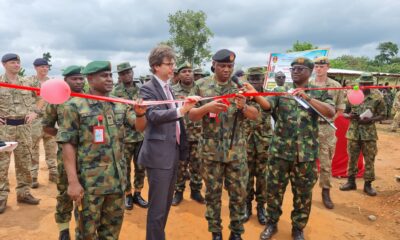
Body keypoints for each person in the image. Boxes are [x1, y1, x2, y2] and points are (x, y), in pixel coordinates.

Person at [245, 57, 335, 240]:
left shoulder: (319, 91)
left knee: (303, 194)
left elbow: (330, 112)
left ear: (310, 71)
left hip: (306, 155)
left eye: (300, 68)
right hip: (280, 153)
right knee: (274, 191)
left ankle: (298, 228)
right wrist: (255, 94)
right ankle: (271, 224)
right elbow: (268, 105)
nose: (295, 71)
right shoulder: (281, 91)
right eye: (293, 68)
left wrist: (308, 98)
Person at [57, 61, 147, 239]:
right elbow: (68, 144)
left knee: (111, 233)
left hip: (117, 182)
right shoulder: (74, 106)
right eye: (103, 76)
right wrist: (73, 182)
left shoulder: (118, 104)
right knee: (86, 233)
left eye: (110, 75)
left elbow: (139, 127)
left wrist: (140, 113)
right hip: (90, 185)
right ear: (90, 79)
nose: (109, 79)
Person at [189, 49, 259, 240]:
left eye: (230, 66)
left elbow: (256, 115)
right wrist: (206, 108)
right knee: (212, 195)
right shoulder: (201, 86)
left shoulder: (241, 88)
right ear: (214, 65)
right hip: (210, 153)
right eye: (222, 66)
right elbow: (191, 114)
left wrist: (244, 106)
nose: (226, 70)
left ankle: (236, 233)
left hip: (236, 152)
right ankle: (216, 232)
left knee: (238, 194)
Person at [138, 45, 200, 240]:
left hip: (171, 153)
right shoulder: (147, 88)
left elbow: (172, 115)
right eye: (169, 64)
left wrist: (183, 104)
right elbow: (153, 116)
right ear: (156, 66)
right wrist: (182, 110)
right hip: (158, 157)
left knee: (164, 206)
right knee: (157, 209)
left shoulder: (169, 88)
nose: (173, 67)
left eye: (173, 63)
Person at [42, 65, 84, 240]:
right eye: (74, 79)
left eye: (81, 78)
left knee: (86, 193)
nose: (79, 82)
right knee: (65, 192)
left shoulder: (89, 98)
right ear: (65, 80)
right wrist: (64, 137)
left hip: (88, 155)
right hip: (65, 156)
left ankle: (83, 228)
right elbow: (46, 126)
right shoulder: (56, 100)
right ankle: (63, 229)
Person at [0, 53, 41, 214]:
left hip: (24, 128)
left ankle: (23, 193)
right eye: (12, 62)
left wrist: (35, 112)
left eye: (18, 62)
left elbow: (41, 96)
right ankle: (1, 196)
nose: (16, 65)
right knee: (1, 164)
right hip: (4, 128)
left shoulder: (28, 82)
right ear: (4, 64)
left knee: (24, 161)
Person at [340, 72, 386, 196]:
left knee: (369, 159)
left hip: (369, 134)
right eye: (362, 83)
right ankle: (351, 182)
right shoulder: (352, 95)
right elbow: (344, 112)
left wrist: (370, 119)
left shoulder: (377, 97)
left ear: (372, 84)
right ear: (359, 83)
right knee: (352, 158)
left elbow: (384, 114)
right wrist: (349, 116)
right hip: (353, 133)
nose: (364, 86)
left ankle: (368, 185)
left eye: (367, 83)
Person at [309, 57, 346, 209]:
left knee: (325, 163)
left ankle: (325, 191)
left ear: (327, 67)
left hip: (326, 129)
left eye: (322, 66)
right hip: (309, 128)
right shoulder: (308, 85)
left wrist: (330, 120)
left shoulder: (336, 86)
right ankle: (306, 190)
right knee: (307, 161)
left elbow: (341, 109)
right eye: (316, 66)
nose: (319, 69)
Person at [112, 62, 148, 210]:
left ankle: (138, 193)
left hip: (141, 135)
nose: (126, 75)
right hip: (125, 137)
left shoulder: (142, 89)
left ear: (132, 73)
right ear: (119, 76)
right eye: (123, 73)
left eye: (128, 72)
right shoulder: (115, 92)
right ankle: (127, 194)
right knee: (125, 167)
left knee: (140, 166)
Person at [171, 62, 205, 206]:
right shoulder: (172, 90)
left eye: (190, 71)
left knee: (197, 165)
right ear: (178, 74)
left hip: (198, 134)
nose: (187, 73)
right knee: (180, 165)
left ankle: (196, 191)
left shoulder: (201, 89)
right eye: (184, 71)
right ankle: (178, 192)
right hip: (180, 134)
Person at [242, 66, 272, 225]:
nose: (255, 81)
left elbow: (269, 109)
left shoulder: (270, 96)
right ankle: (247, 206)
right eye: (252, 79)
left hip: (264, 143)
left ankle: (261, 207)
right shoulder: (242, 96)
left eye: (258, 78)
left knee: (263, 178)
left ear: (263, 79)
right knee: (246, 176)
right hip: (246, 142)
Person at [29, 58, 58, 188]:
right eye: (42, 67)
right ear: (35, 67)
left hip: (50, 119)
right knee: (33, 148)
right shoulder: (29, 82)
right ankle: (33, 176)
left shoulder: (51, 83)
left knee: (51, 147)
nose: (45, 69)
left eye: (46, 67)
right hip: (34, 120)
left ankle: (53, 173)